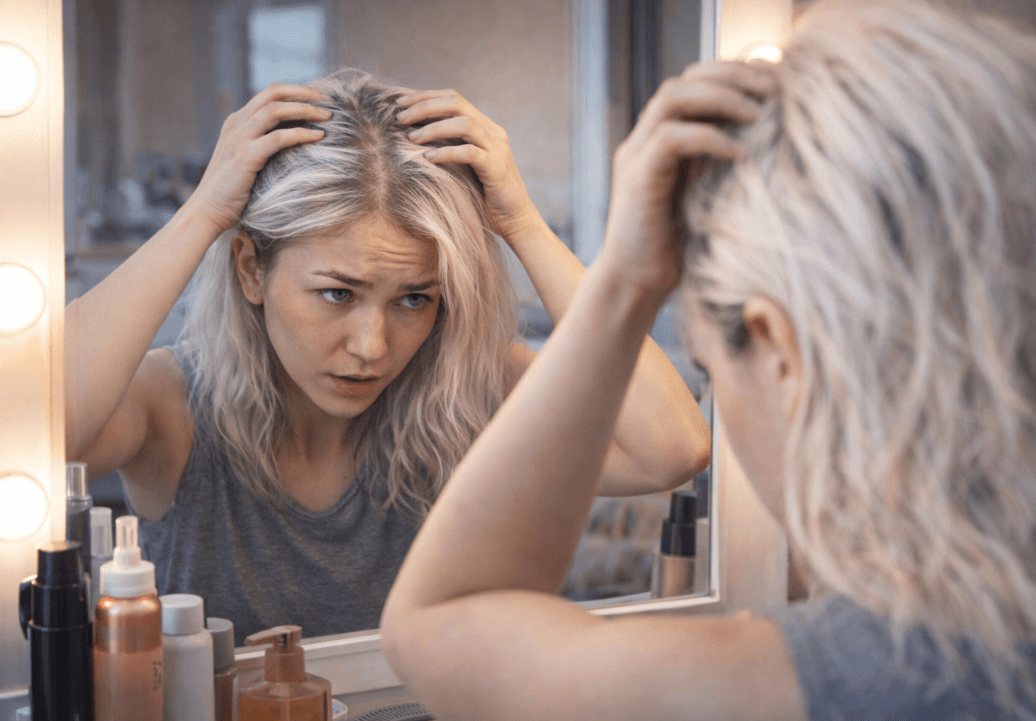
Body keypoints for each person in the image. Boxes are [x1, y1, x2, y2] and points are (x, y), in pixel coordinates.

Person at [380, 1, 1036, 718]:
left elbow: (441, 623)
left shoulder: (822, 678)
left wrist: (626, 282)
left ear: (779, 351)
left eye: (713, 374)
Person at [66, 70, 710, 642]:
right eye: (337, 293)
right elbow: (32, 431)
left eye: (413, 300)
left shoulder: (466, 397)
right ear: (251, 270)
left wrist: (520, 222)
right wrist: (202, 214)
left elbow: (672, 448)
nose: (371, 348)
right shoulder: (173, 407)